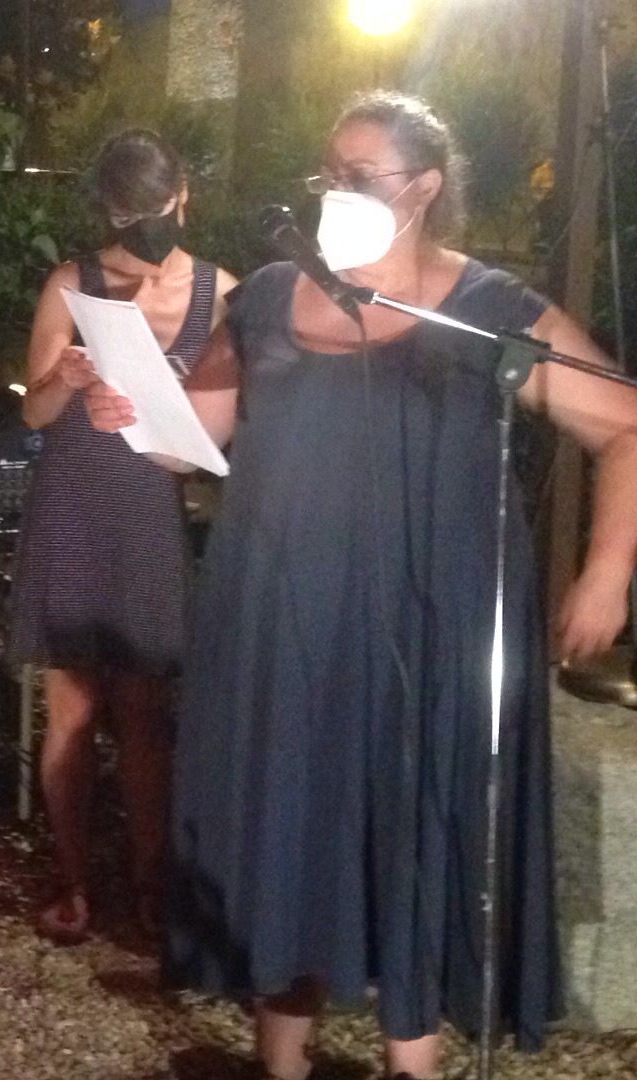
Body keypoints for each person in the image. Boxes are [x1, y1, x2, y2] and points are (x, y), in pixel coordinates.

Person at [82, 92, 637, 1079]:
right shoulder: (267, 296)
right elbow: (189, 437)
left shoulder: (487, 310)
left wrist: (606, 572)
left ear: (423, 190)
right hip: (283, 622)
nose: (334, 192)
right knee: (288, 835)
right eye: (327, 173)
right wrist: (126, 410)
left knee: (413, 836)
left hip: (433, 629)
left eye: (359, 176)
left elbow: (625, 426)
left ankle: (408, 1063)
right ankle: (280, 1064)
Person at [8, 129, 236, 942]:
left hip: (150, 511)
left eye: (156, 208)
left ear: (183, 196)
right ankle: (72, 880)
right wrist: (66, 381)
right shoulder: (73, 283)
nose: (144, 228)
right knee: (70, 707)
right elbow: (32, 413)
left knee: (145, 711)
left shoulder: (222, 293)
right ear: (107, 211)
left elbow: (226, 424)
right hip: (74, 499)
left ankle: (150, 884)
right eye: (125, 214)